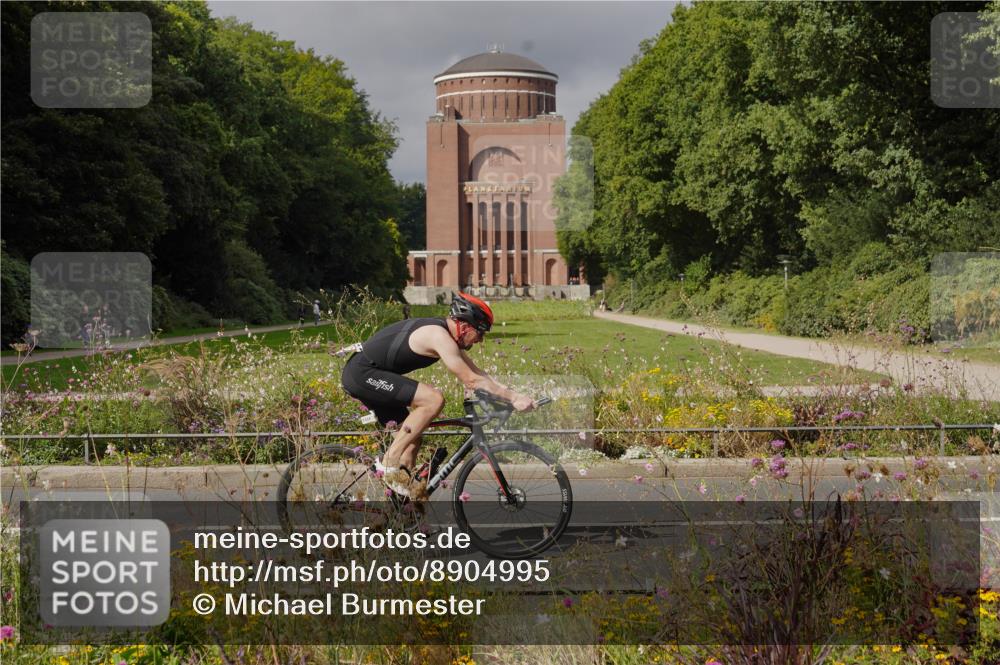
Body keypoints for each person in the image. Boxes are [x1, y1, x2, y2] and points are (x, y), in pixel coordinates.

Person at [340, 292, 535, 497]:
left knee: (412, 440)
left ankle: (400, 508)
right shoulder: (438, 335)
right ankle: (388, 463)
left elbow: (480, 375)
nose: (480, 340)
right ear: (465, 325)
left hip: (372, 374)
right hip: (362, 373)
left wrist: (516, 395)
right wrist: (512, 398)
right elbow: (471, 380)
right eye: (480, 332)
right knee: (433, 399)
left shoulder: (446, 335)